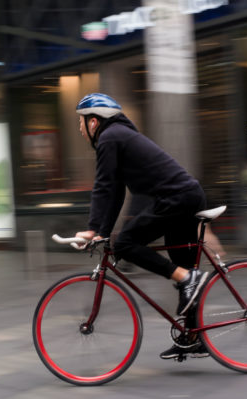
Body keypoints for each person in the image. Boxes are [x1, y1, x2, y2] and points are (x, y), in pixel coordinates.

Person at [73, 93, 210, 360]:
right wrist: (101, 231)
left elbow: (104, 187)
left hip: (176, 200)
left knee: (126, 244)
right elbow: (115, 193)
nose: (79, 128)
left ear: (93, 122)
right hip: (184, 198)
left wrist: (91, 229)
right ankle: (193, 338)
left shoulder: (109, 138)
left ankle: (188, 280)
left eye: (80, 121)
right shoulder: (118, 137)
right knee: (186, 280)